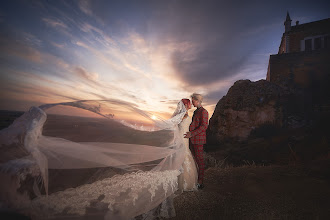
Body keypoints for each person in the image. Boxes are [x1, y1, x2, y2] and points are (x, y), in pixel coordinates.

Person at [184, 93, 209, 189]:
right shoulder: (195, 112)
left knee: (200, 161)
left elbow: (204, 126)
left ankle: (200, 182)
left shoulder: (204, 112)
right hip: (192, 139)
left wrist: (192, 133)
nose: (192, 102)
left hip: (198, 140)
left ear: (197, 101)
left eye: (193, 100)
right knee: (194, 160)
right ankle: (195, 178)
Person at [177, 99, 198, 192]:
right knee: (184, 155)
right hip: (183, 137)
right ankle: (184, 182)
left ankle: (184, 181)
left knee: (185, 155)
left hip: (185, 137)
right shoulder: (183, 115)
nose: (191, 104)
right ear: (186, 105)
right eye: (189, 103)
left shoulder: (184, 114)